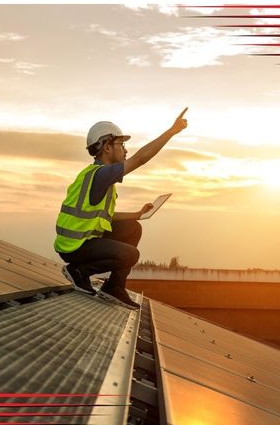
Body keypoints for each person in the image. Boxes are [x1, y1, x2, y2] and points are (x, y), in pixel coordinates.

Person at [54, 108, 189, 310]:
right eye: (121, 144)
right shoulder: (101, 174)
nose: (126, 150)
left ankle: (115, 287)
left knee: (133, 228)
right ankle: (79, 272)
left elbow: (105, 216)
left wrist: (136, 214)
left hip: (81, 242)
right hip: (75, 247)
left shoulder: (97, 176)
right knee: (131, 255)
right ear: (106, 147)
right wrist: (171, 131)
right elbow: (141, 159)